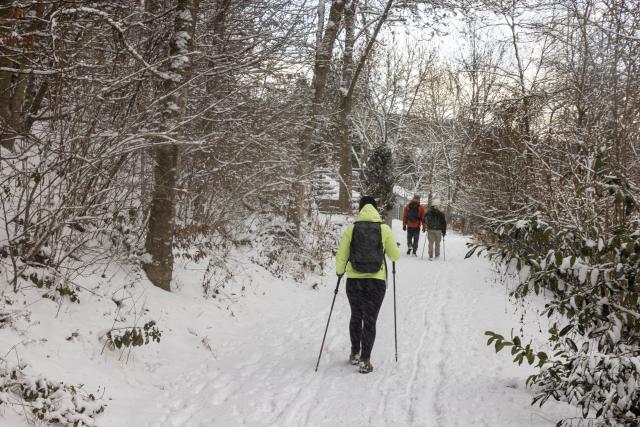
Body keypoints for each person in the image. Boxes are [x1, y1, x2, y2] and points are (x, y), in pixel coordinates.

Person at [335, 195, 400, 374]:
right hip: (376, 281)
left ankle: (355, 353)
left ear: (360, 209)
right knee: (370, 320)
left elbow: (342, 255)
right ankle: (365, 360)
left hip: (354, 280)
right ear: (375, 208)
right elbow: (395, 256)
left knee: (356, 316)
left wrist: (340, 272)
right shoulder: (384, 229)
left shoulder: (351, 229)